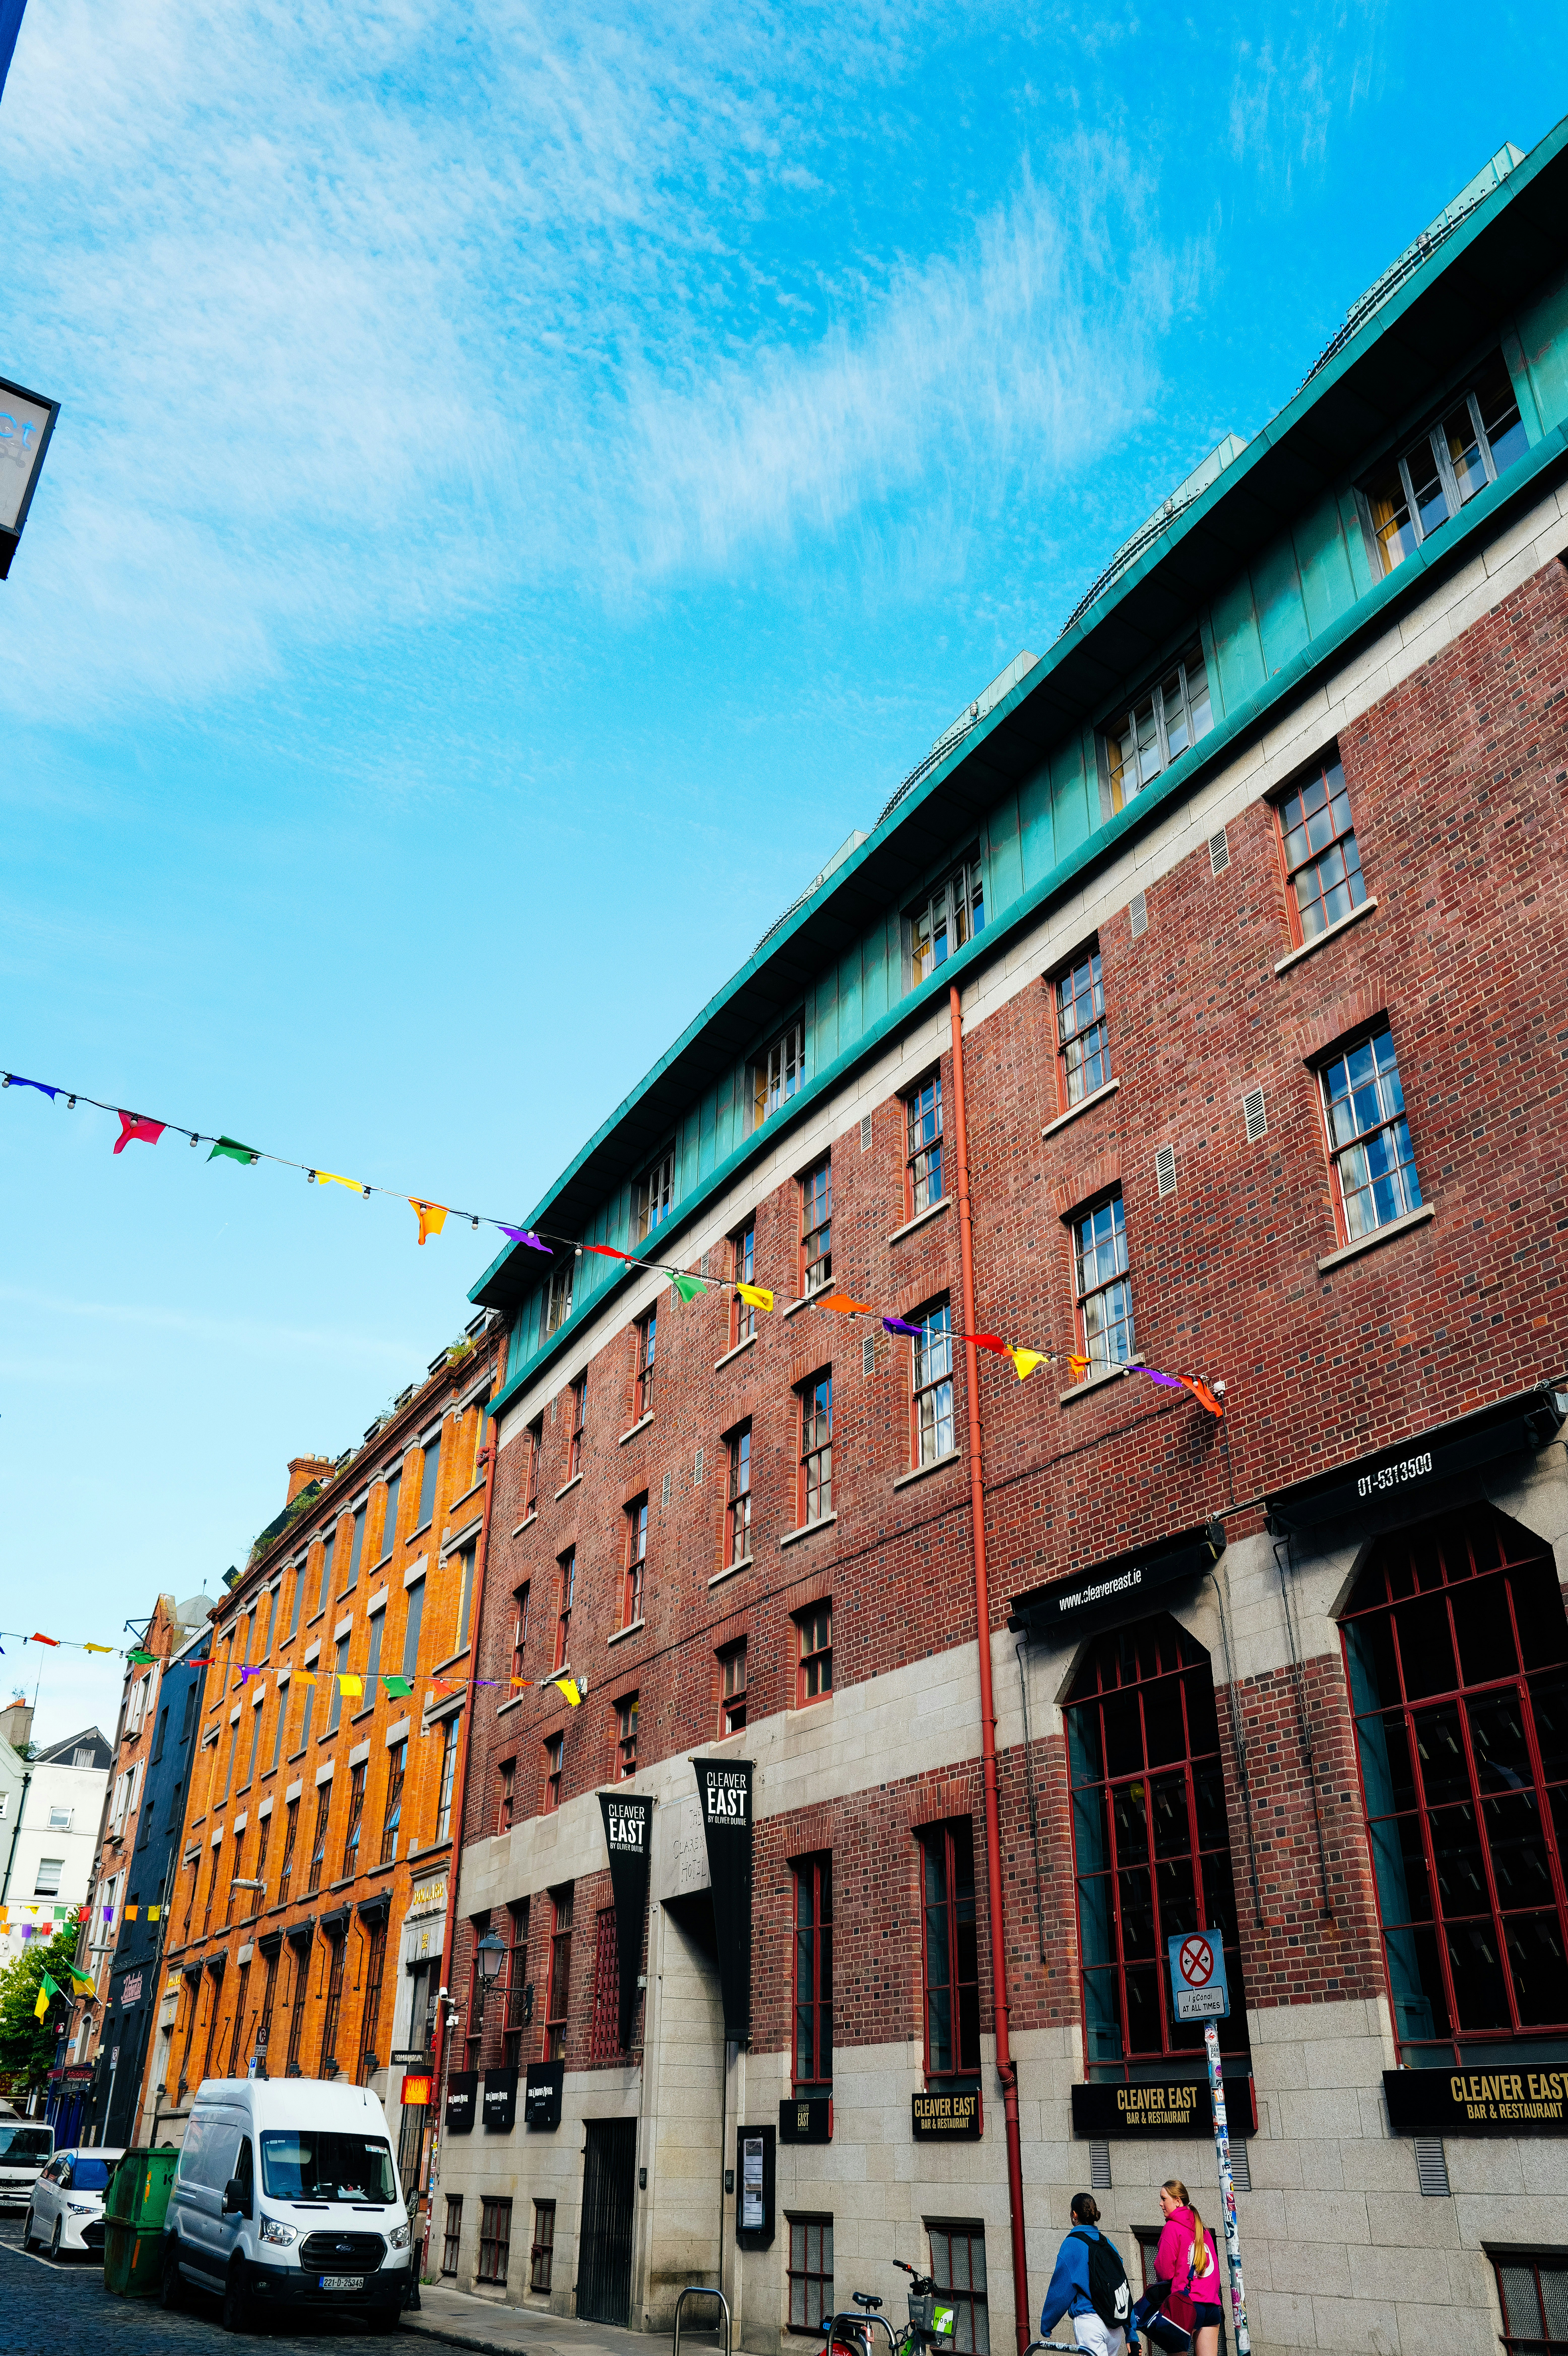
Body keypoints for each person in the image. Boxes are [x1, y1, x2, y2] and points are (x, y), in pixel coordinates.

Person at [1039, 2192, 1137, 2355]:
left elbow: (1060, 2291)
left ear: (1074, 2215)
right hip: (1115, 2326)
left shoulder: (1072, 2244)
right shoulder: (1107, 2244)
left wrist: (1047, 2325)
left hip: (1090, 2323)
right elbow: (1122, 2288)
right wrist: (1132, 2334)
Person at [1154, 2180, 1223, 2356]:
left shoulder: (1172, 2227)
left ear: (1178, 2201)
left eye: (1164, 2198)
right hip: (1212, 2308)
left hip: (1185, 2307)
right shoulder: (1203, 2229)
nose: (1161, 2204)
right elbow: (1215, 2273)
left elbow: (1165, 2271)